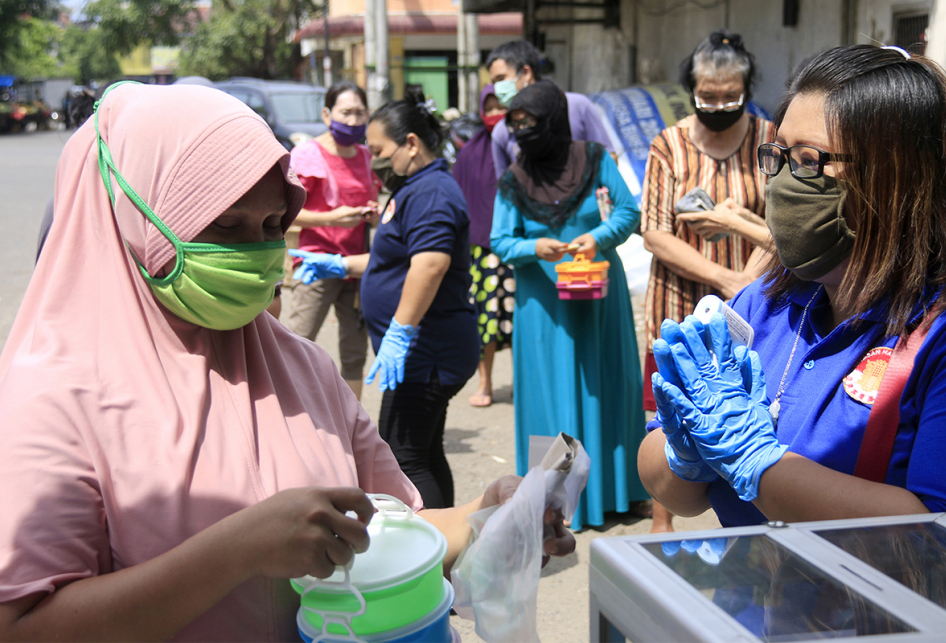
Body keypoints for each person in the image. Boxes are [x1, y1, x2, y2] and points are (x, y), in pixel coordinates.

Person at [0, 82, 574, 641]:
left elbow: (385, 533)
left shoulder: (302, 366)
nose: (255, 253)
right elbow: (25, 624)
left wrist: (484, 519)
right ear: (133, 218)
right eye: (225, 226)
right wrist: (236, 551)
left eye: (274, 227)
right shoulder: (48, 397)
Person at [639, 45, 946, 531]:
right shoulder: (759, 305)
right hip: (749, 602)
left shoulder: (935, 338)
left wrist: (756, 461)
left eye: (807, 160)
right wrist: (685, 454)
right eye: (777, 155)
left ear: (896, 176)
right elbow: (674, 490)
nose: (781, 182)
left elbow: (932, 532)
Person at [292, 87, 480, 510]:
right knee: (424, 450)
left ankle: (434, 550)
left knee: (403, 455)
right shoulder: (417, 187)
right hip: (427, 349)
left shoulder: (432, 191)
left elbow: (429, 266)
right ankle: (446, 540)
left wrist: (400, 332)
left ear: (411, 144)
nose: (373, 159)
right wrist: (339, 265)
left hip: (426, 350)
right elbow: (392, 260)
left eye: (379, 150)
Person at [490, 81, 649, 531]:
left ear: (555, 120)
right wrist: (533, 246)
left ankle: (623, 492)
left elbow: (627, 212)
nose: (522, 133)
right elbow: (500, 239)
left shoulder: (595, 159)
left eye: (530, 123)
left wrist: (594, 238)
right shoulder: (513, 179)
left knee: (609, 387)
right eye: (515, 125)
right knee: (549, 396)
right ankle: (554, 502)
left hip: (598, 294)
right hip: (543, 307)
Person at [640, 30, 775, 532]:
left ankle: (752, 504)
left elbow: (783, 225)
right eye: (708, 96)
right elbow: (655, 233)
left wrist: (747, 284)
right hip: (680, 295)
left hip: (754, 297)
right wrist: (725, 277)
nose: (719, 104)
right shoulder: (668, 145)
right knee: (669, 403)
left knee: (748, 395)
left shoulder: (769, 139)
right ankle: (663, 517)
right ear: (692, 90)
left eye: (730, 96)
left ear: (746, 88)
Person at [281, 81, 380, 400]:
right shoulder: (307, 154)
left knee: (355, 352)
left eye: (359, 113)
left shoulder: (367, 156)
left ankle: (352, 425)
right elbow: (287, 213)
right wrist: (331, 217)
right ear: (327, 114)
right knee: (297, 341)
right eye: (345, 112)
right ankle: (291, 415)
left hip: (356, 266)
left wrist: (373, 216)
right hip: (315, 264)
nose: (352, 121)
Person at [452, 85, 513, 408]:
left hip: (518, 244)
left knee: (520, 317)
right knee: (485, 319)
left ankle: (522, 382)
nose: (494, 115)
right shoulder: (469, 152)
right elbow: (458, 199)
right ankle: (485, 383)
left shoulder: (521, 146)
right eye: (488, 109)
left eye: (499, 107)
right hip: (481, 250)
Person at [485, 40, 615, 178]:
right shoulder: (503, 131)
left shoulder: (577, 106)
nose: (497, 88)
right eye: (494, 83)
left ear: (526, 73)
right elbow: (506, 188)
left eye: (501, 79)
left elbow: (608, 160)